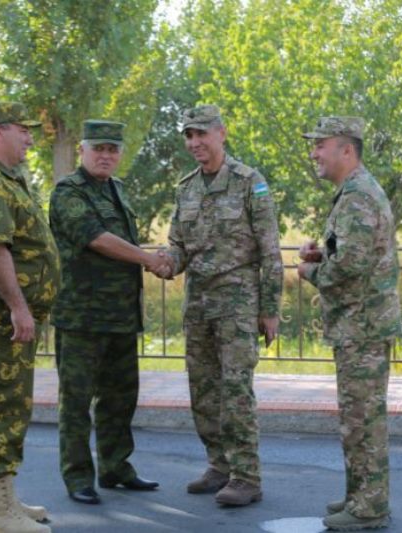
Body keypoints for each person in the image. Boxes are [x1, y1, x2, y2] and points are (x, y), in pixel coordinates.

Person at [162, 104, 283, 506]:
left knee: (235, 392)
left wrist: (270, 309)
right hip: (198, 304)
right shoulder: (186, 188)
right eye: (189, 136)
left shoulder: (250, 182)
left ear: (221, 133)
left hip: (238, 305)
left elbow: (270, 250)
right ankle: (219, 466)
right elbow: (178, 245)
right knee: (203, 391)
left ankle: (247, 477)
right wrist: (165, 262)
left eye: (201, 134)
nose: (195, 143)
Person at [49, 120, 166, 505]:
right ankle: (78, 477)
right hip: (82, 317)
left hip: (120, 316)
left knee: (120, 398)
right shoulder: (68, 191)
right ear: (82, 150)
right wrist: (148, 259)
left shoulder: (118, 189)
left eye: (112, 149)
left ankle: (116, 467)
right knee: (76, 402)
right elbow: (97, 239)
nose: (105, 155)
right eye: (98, 148)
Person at [296, 116, 402, 531]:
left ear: (346, 150)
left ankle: (369, 507)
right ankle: (360, 494)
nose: (314, 153)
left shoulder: (357, 196)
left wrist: (309, 272)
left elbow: (351, 268)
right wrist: (322, 254)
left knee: (363, 420)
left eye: (320, 145)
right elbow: (354, 254)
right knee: (358, 418)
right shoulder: (354, 192)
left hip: (363, 327)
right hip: (360, 325)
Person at [0, 102, 60, 533]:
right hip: (1, 319)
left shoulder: (4, 177)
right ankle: (1, 513)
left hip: (7, 318)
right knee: (2, 406)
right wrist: (19, 307)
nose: (30, 138)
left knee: (6, 405)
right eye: (24, 130)